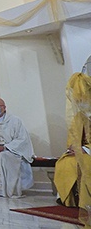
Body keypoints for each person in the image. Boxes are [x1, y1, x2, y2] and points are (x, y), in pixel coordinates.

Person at [54, 72, 91, 208]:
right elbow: (73, 136)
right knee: (65, 162)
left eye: (81, 98)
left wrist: (85, 149)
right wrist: (72, 147)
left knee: (84, 163)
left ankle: (85, 200)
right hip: (80, 151)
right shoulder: (79, 117)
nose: (79, 101)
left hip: (88, 153)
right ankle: (68, 198)